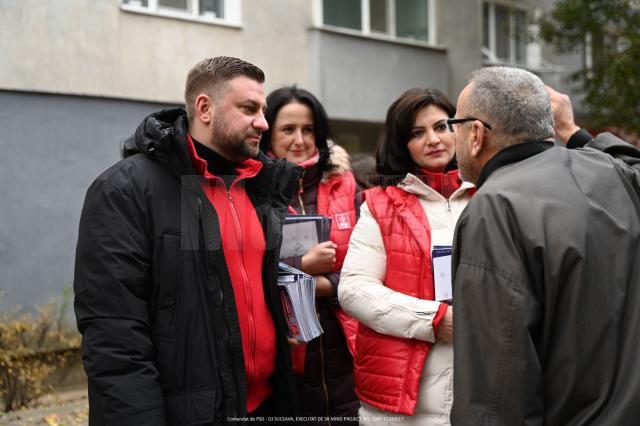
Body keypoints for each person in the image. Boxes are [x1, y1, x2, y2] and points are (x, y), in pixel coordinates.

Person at [73, 56, 302, 425]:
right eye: (249, 108)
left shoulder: (259, 188)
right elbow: (116, 337)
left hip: (265, 407)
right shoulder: (126, 190)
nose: (263, 122)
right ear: (204, 107)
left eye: (262, 109)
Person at [450, 66, 640, 425]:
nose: (451, 138)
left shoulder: (495, 207)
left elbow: (496, 382)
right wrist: (573, 132)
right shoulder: (608, 173)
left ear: (475, 133)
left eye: (454, 125)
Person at [338, 88, 475, 425]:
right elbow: (354, 290)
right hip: (402, 398)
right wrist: (433, 320)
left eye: (442, 126)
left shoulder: (489, 194)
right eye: (417, 133)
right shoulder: (379, 205)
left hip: (477, 383)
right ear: (402, 143)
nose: (434, 139)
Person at [259, 86, 360, 424]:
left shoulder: (345, 184)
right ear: (269, 134)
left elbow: (372, 265)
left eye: (308, 129)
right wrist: (303, 266)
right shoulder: (253, 191)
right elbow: (244, 271)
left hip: (348, 349)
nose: (299, 140)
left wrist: (325, 284)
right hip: (286, 356)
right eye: (288, 130)